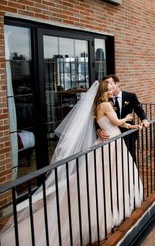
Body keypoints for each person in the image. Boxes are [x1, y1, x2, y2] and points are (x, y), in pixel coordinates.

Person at [0, 80, 143, 245]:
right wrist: (127, 118)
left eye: (114, 88)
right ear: (105, 91)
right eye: (111, 88)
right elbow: (116, 122)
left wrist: (132, 127)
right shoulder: (105, 105)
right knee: (107, 176)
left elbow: (107, 122)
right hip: (110, 142)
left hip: (111, 140)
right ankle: (106, 209)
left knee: (110, 174)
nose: (114, 90)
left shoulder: (99, 106)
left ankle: (116, 202)